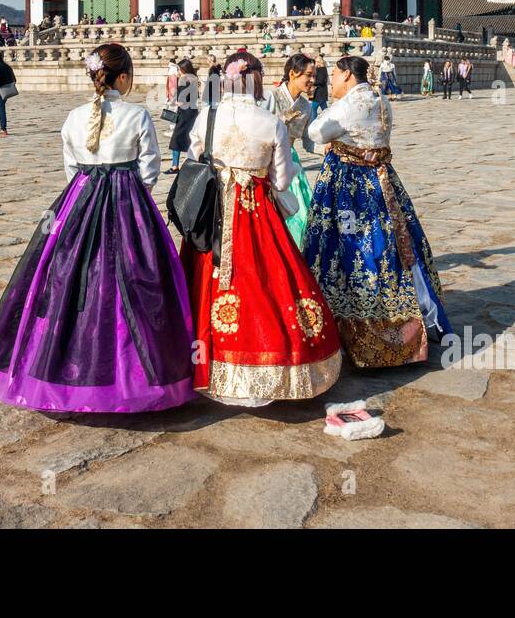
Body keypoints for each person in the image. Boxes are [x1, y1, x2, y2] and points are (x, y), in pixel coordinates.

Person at [0, 43, 195, 413]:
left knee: (70, 279)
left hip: (80, 199)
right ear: (123, 77)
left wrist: (87, 192)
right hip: (128, 202)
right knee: (136, 279)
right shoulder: (137, 116)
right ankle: (138, 375)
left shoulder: (73, 117)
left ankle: (62, 369)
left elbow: (71, 168)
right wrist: (131, 196)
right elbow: (150, 169)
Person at [181, 51, 341, 406]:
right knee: (265, 281)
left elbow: (194, 159)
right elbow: (282, 181)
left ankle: (202, 361)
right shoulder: (270, 122)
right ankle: (265, 357)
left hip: (212, 216)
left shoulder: (207, 115)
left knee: (203, 283)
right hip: (253, 211)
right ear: (253, 78)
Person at [304, 56, 452, 368]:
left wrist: (329, 134)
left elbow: (316, 132)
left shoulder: (347, 105)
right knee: (396, 247)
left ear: (346, 74)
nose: (330, 82)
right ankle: (415, 319)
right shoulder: (382, 99)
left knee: (350, 251)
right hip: (383, 183)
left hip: (350, 185)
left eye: (333, 75)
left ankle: (353, 330)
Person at [262, 53, 317, 248]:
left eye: (314, 76)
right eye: (308, 75)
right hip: (269, 161)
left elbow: (309, 142)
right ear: (293, 73)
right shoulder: (271, 97)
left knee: (301, 214)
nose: (312, 80)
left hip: (292, 162)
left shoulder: (306, 106)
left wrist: (331, 147)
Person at [166, 59, 200, 174]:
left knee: (176, 139)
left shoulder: (183, 79)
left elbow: (182, 99)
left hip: (184, 113)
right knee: (192, 138)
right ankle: (194, 163)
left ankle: (175, 166)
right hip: (193, 112)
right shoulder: (194, 79)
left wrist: (176, 102)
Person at [304, 52, 329, 154]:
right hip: (319, 93)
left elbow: (321, 81)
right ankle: (325, 119)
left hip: (320, 93)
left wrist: (313, 82)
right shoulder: (318, 69)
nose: (316, 63)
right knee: (323, 108)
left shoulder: (322, 69)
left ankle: (313, 123)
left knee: (314, 108)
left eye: (318, 61)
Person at [0, 51, 16, 136]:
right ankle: (2, 127)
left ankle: (3, 128)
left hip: (0, 91)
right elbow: (14, 79)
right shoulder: (7, 66)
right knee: (2, 108)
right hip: (7, 90)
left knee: (1, 110)